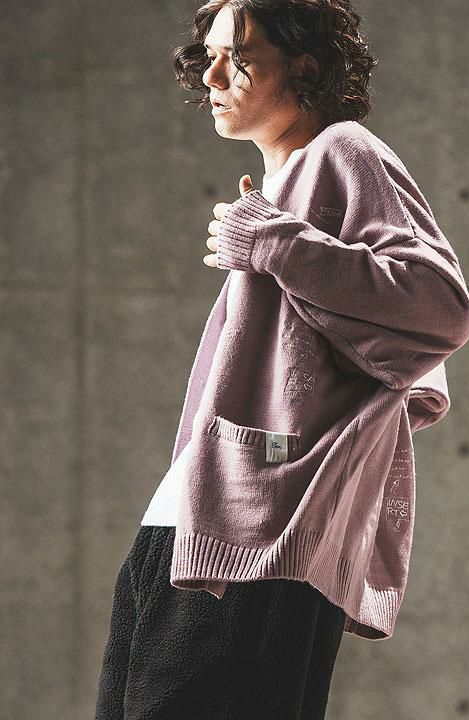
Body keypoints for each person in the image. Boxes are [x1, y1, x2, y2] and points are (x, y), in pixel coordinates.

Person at [95, 1, 382, 718]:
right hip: (195, 520)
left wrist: (274, 243)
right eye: (210, 56)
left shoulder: (344, 152)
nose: (212, 76)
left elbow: (440, 305)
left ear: (306, 67)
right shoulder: (288, 183)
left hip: (254, 531)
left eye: (240, 57)